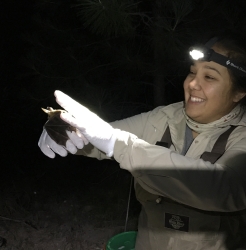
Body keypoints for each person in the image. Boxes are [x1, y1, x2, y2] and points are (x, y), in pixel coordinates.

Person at [38, 31, 246, 249]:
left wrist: (118, 143)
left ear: (239, 93)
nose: (193, 84)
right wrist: (62, 125)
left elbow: (228, 187)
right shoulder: (163, 118)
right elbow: (101, 137)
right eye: (192, 72)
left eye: (209, 77)